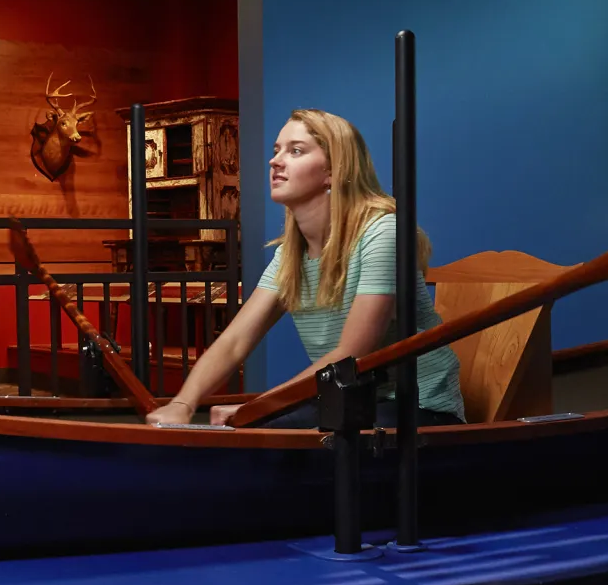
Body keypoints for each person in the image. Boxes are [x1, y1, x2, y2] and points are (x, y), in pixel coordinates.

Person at [146, 109, 464, 429]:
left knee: (268, 436)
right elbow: (234, 343)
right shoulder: (290, 255)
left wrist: (256, 408)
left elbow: (351, 353)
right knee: (253, 433)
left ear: (333, 170)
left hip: (419, 407)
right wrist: (182, 404)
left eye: (296, 151)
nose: (275, 161)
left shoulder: (383, 233)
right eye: (277, 150)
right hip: (348, 401)